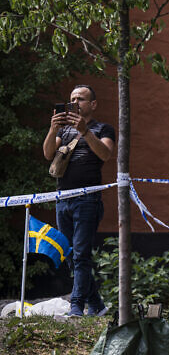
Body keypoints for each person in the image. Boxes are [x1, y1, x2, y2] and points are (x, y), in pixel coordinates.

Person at [43, 85, 116, 317]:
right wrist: (52, 128)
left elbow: (105, 154)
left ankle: (77, 307)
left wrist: (84, 131)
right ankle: (96, 305)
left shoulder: (102, 128)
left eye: (81, 99)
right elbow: (47, 154)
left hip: (87, 199)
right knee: (70, 254)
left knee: (81, 254)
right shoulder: (63, 131)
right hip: (63, 199)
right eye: (72, 98)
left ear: (92, 104)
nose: (75, 102)